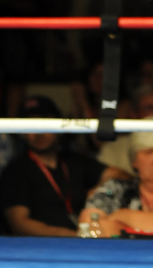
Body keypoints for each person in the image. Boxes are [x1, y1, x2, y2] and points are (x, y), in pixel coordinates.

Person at [0, 95, 103, 236]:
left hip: (83, 244)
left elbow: (120, 175)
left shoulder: (75, 160)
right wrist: (73, 235)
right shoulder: (15, 171)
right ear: (22, 132)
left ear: (59, 127)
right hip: (37, 249)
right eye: (31, 125)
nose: (39, 132)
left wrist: (102, 190)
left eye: (45, 123)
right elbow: (20, 224)